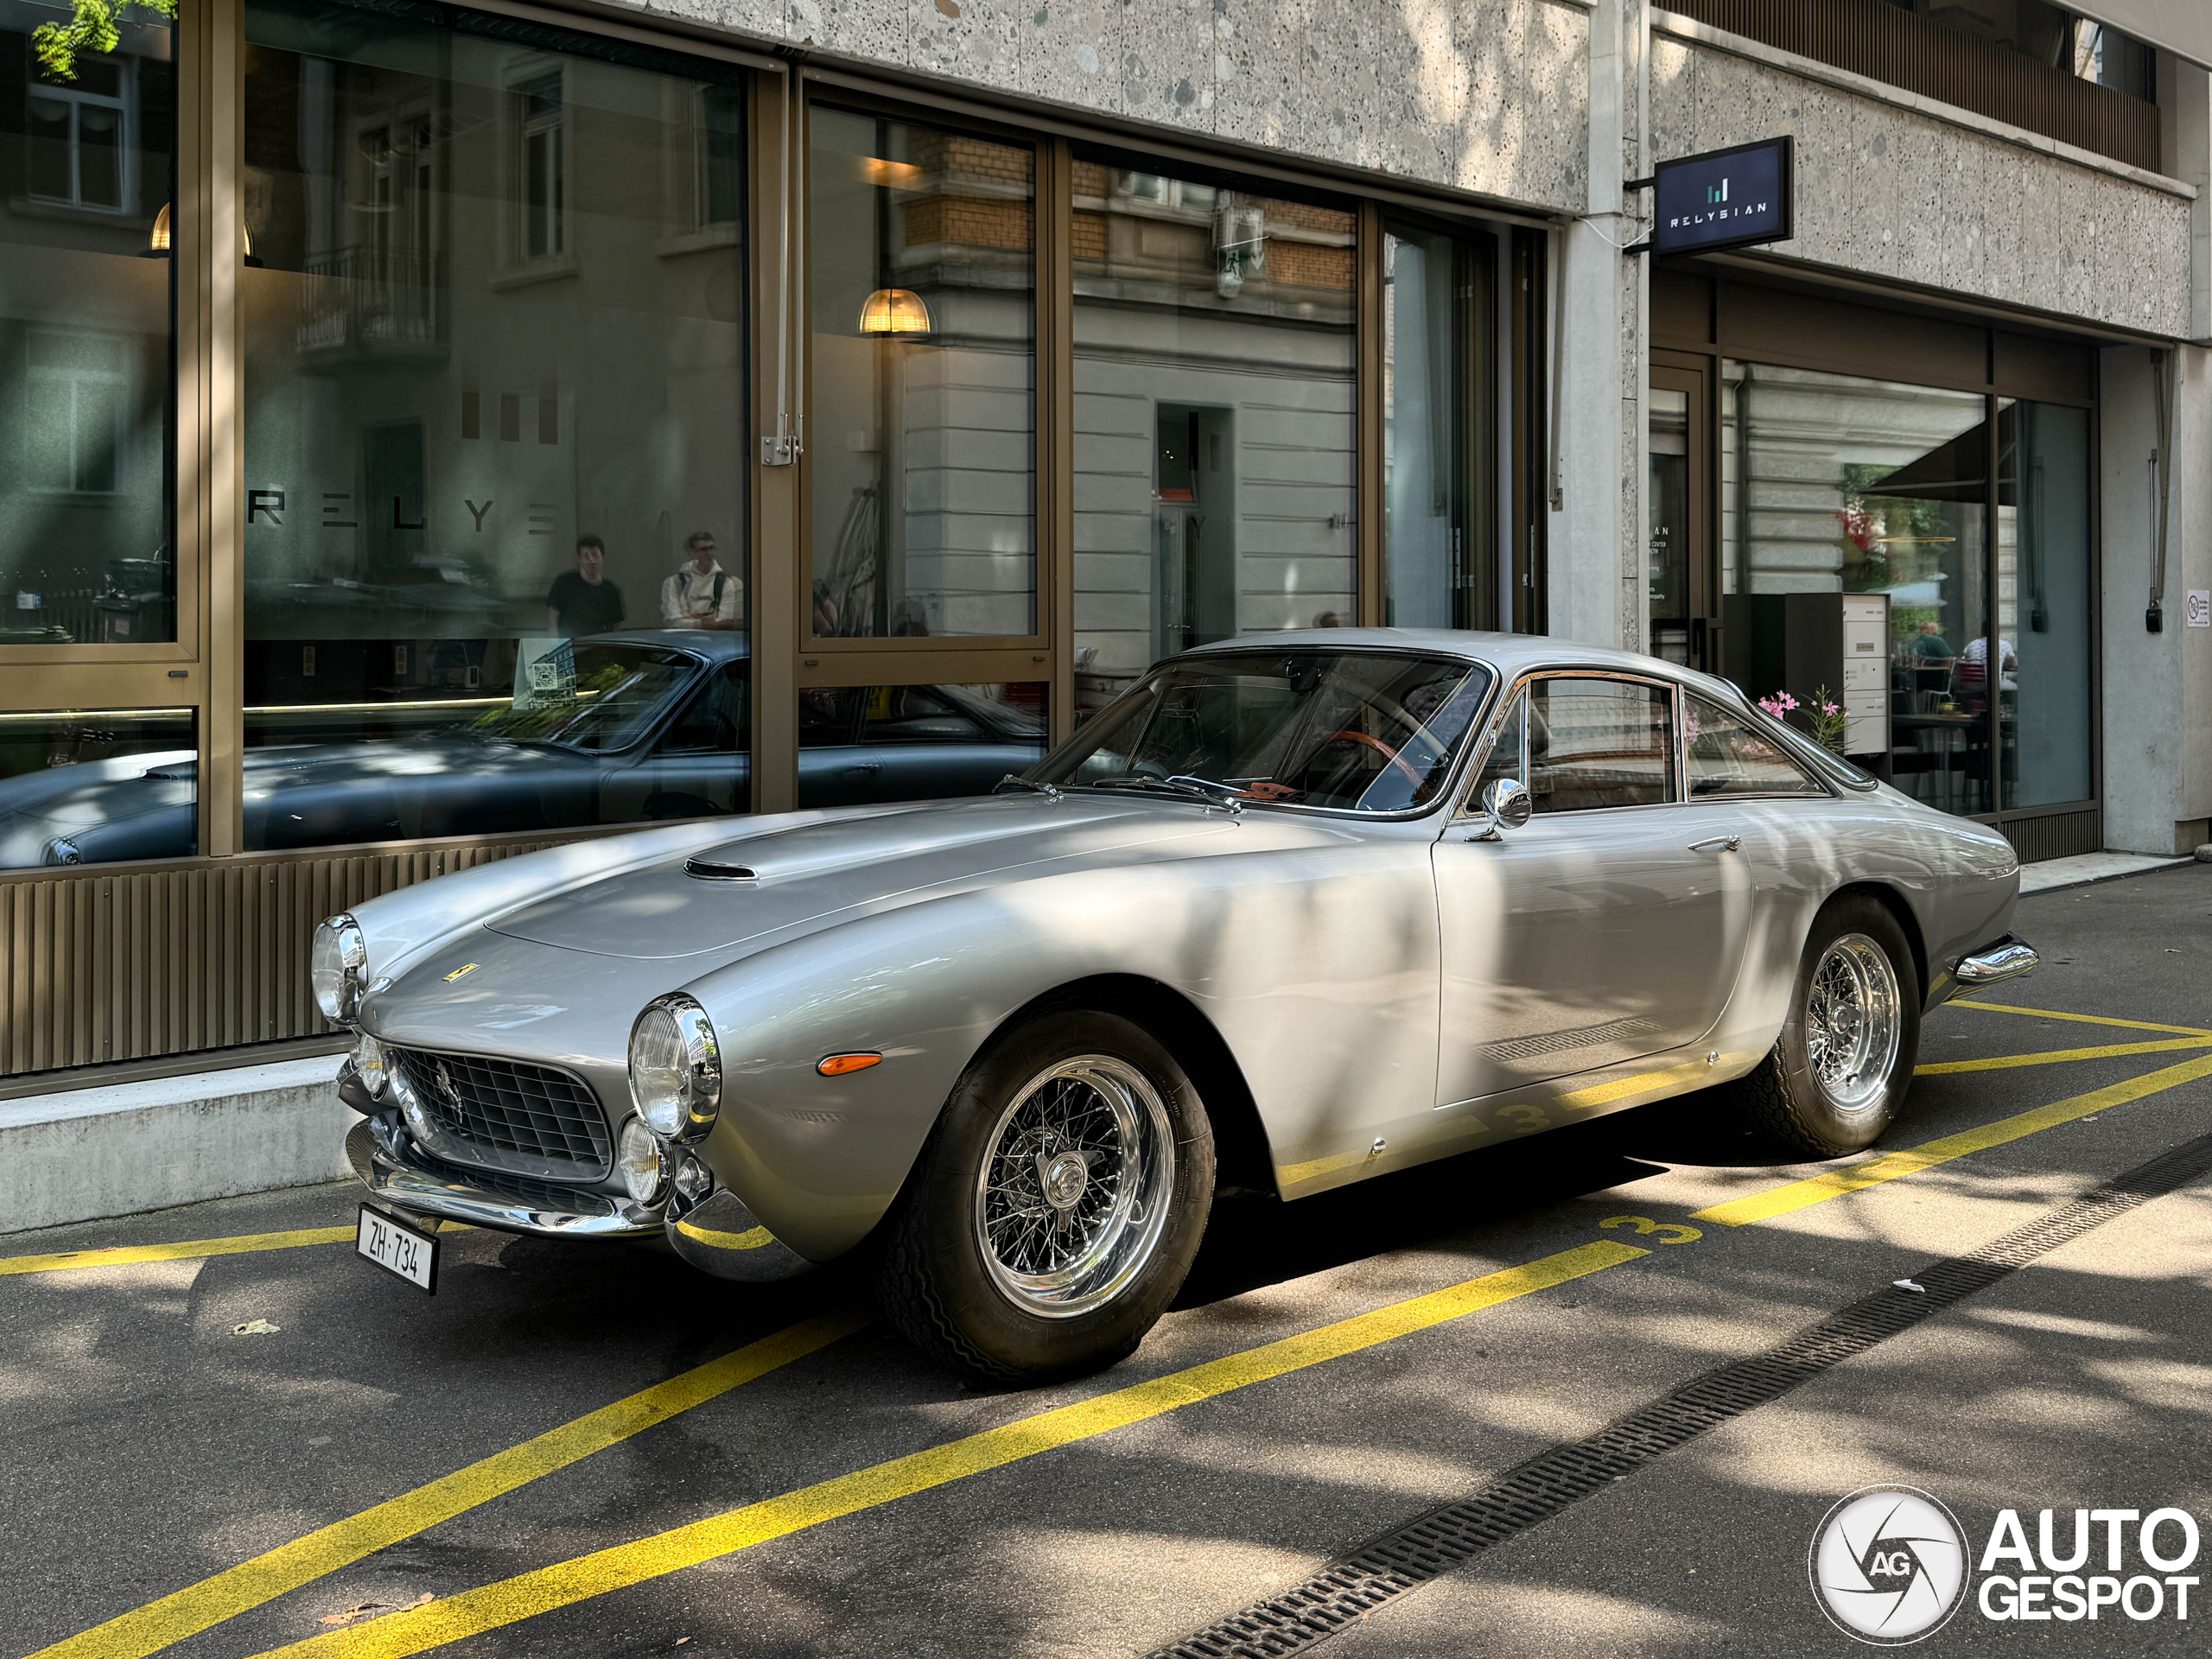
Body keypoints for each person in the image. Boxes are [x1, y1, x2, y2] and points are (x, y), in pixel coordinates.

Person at [545, 536, 626, 638]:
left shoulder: (611, 590)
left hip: (597, 644)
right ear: (580, 560)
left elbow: (617, 624)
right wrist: (555, 640)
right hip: (568, 642)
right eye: (586, 556)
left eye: (595, 555)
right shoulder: (565, 581)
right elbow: (553, 614)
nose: (592, 561)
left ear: (603, 557)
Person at [660, 531, 743, 631]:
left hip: (719, 641)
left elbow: (727, 623)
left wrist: (690, 618)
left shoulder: (731, 583)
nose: (709, 553)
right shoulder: (674, 583)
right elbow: (673, 621)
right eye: (703, 549)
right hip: (682, 641)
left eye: (711, 548)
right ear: (692, 553)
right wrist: (709, 621)